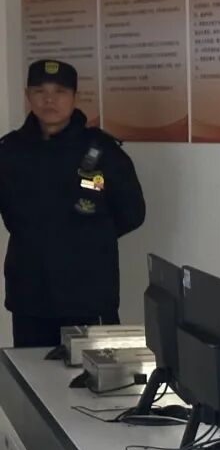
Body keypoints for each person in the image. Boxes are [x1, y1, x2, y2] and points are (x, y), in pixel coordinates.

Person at [0, 60, 146, 348]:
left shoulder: (103, 151)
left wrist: (85, 238)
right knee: (32, 373)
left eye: (60, 91)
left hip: (88, 296)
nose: (49, 100)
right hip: (31, 295)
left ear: (75, 97)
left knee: (92, 373)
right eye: (40, 91)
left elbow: (132, 213)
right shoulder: (10, 151)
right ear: (28, 95)